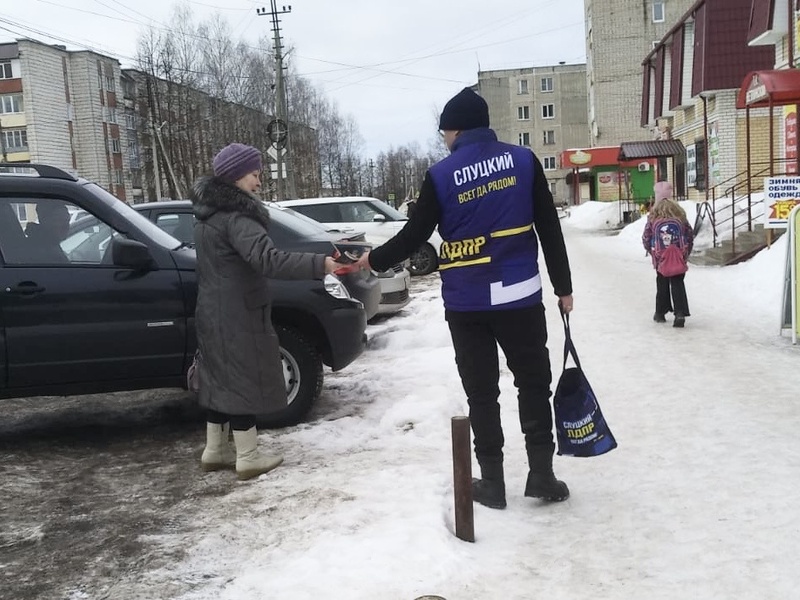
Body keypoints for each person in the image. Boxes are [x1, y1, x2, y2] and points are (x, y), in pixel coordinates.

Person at [355, 87, 574, 509]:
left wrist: (373, 259)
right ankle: (542, 475)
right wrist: (563, 288)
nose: (444, 140)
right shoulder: (524, 161)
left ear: (455, 130)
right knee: (533, 383)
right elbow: (549, 228)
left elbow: (414, 235)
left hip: (467, 304)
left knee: (482, 392)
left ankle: (492, 482)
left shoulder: (441, 175)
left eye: (444, 133)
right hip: (521, 299)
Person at [191, 143, 338, 480]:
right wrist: (322, 263)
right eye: (255, 174)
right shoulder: (237, 217)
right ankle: (248, 456)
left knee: (218, 379)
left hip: (211, 309)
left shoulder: (206, 215)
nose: (259, 182)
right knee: (243, 379)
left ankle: (215, 450)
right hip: (239, 312)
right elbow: (268, 259)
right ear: (236, 175)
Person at [642, 181, 693, 328]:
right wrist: (685, 253)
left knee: (662, 283)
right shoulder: (679, 213)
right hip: (678, 255)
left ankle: (660, 313)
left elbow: (646, 236)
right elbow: (689, 234)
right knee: (678, 282)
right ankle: (680, 313)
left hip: (661, 257)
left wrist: (652, 252)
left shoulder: (654, 215)